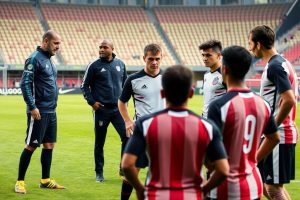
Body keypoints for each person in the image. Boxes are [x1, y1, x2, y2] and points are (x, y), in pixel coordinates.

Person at [122, 65, 230, 200]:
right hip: (192, 195)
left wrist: (139, 188)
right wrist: (205, 189)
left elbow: (127, 164)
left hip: (156, 195)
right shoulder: (207, 126)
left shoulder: (145, 124)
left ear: (162, 93)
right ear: (191, 93)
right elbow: (223, 169)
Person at [207, 45, 280, 199]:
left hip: (224, 187)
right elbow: (274, 138)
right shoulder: (263, 104)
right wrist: (253, 159)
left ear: (224, 69)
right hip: (254, 185)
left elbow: (210, 152)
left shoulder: (219, 105)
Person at [249, 25, 299, 200]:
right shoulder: (281, 63)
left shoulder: (275, 66)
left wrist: (272, 126)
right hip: (277, 135)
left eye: (250, 43)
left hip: (280, 135)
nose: (250, 48)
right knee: (265, 184)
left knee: (273, 188)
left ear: (258, 44)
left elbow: (290, 99)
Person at [15, 30, 64, 194]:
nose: (58, 47)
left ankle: (45, 180)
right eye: (55, 43)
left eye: (59, 43)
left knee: (49, 145)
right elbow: (25, 84)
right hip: (39, 111)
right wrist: (33, 106)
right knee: (31, 145)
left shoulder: (49, 60)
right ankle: (20, 182)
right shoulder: (34, 58)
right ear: (45, 41)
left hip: (51, 111)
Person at [118, 43, 165, 200]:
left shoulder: (168, 78)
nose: (154, 62)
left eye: (157, 59)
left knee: (160, 173)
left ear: (161, 58)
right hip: (141, 132)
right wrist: (127, 121)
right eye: (150, 59)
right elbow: (122, 102)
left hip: (163, 133)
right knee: (132, 171)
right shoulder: (133, 79)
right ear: (144, 58)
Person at [81, 39, 128, 182]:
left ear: (112, 49)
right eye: (100, 47)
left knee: (127, 137)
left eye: (104, 47)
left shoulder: (120, 64)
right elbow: (84, 86)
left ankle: (123, 168)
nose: (101, 49)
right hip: (101, 110)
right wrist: (92, 102)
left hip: (118, 110)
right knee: (100, 142)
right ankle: (99, 173)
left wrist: (125, 103)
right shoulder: (93, 66)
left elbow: (126, 85)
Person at [199, 40, 226, 118]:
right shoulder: (206, 75)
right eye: (203, 55)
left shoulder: (225, 75)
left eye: (208, 55)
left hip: (219, 121)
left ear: (219, 56)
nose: (204, 58)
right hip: (205, 118)